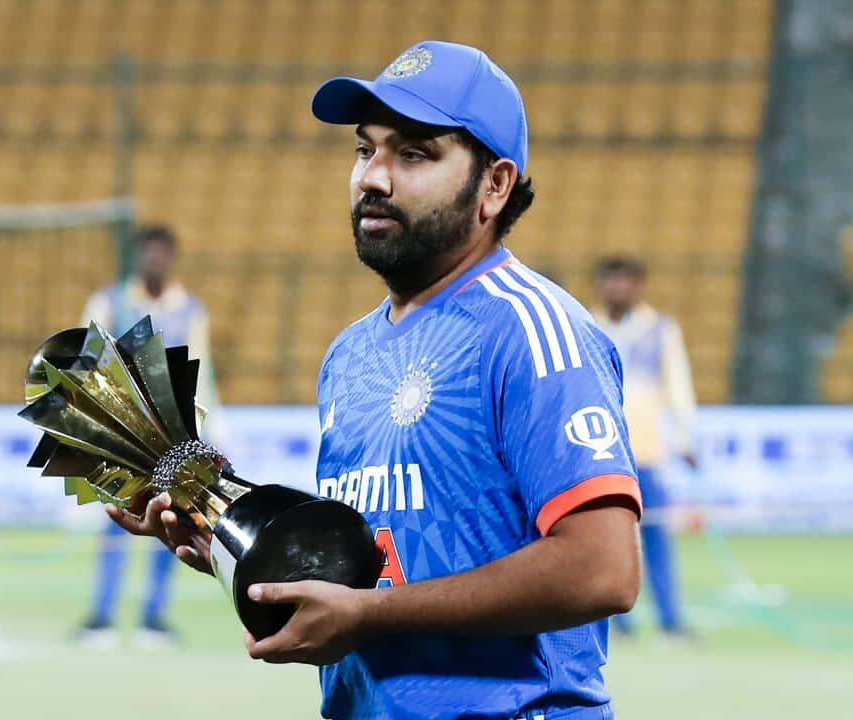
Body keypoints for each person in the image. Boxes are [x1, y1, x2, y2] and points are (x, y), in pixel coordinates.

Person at [109, 41, 644, 719]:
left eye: (415, 154)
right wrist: (229, 541)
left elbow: (602, 569)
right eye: (366, 149)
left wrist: (371, 613)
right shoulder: (350, 354)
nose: (374, 178)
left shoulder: (532, 331)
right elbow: (379, 567)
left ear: (495, 185)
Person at [76, 224, 223, 648]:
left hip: (174, 441)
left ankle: (152, 619)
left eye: (163, 254)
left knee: (170, 523)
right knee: (114, 525)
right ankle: (101, 618)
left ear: (172, 258)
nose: (155, 261)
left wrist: (205, 431)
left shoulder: (190, 309)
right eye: (148, 254)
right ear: (137, 258)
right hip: (124, 437)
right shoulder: (109, 302)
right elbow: (86, 365)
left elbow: (202, 371)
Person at [593, 257, 697, 637]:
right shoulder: (585, 324)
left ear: (639, 285)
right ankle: (618, 623)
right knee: (607, 542)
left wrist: (686, 439)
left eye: (626, 281)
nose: (618, 289)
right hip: (600, 457)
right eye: (611, 281)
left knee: (656, 538)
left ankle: (670, 619)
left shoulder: (660, 330)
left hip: (647, 454)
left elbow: (678, 387)